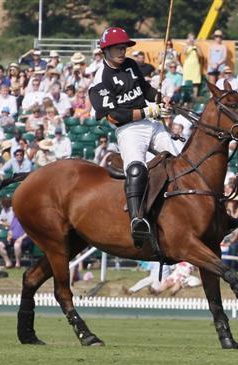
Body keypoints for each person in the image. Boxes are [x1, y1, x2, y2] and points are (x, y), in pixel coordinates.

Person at [89, 27, 178, 249]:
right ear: (105, 50)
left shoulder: (130, 65)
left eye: (125, 47)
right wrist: (149, 111)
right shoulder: (100, 79)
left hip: (150, 124)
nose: (123, 50)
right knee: (137, 169)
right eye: (118, 47)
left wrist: (160, 98)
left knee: (179, 160)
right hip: (128, 130)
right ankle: (138, 219)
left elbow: (145, 89)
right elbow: (112, 116)